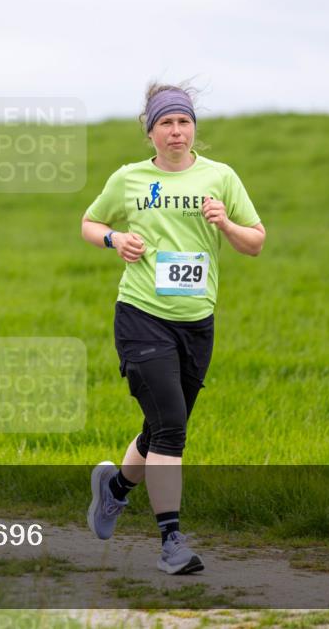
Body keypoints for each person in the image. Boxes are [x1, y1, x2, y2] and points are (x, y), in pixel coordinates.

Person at [82, 83, 264, 574]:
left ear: (193, 128)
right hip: (141, 316)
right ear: (151, 132)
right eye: (166, 123)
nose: (176, 131)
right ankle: (172, 543)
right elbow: (90, 222)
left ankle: (115, 488)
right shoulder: (129, 179)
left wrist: (226, 225)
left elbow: (255, 243)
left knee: (161, 427)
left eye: (183, 121)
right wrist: (115, 239)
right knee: (171, 431)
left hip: (197, 323)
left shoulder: (220, 177)